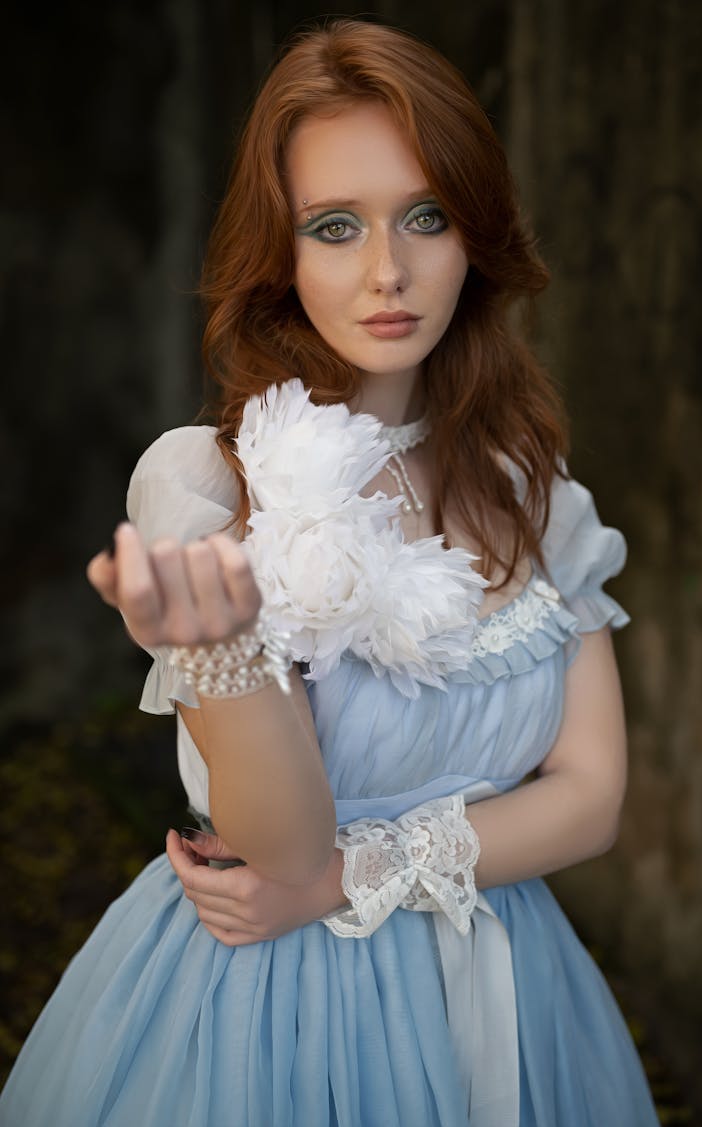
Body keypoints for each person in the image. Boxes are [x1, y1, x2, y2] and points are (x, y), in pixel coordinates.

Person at [0, 18, 660, 1127]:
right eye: (335, 227)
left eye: (426, 217)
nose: (387, 271)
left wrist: (351, 878)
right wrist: (218, 649)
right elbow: (283, 849)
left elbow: (592, 796)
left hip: (511, 986)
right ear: (282, 251)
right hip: (275, 1009)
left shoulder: (538, 493)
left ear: (476, 236)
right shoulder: (211, 485)